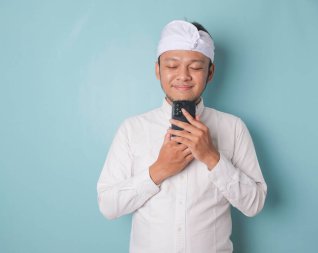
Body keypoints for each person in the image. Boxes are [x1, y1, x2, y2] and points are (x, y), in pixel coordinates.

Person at [97, 20, 267, 253]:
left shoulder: (233, 128)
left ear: (210, 72)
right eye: (172, 65)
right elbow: (108, 205)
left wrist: (212, 158)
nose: (183, 76)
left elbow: (254, 204)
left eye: (196, 67)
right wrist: (160, 169)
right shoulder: (132, 129)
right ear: (158, 70)